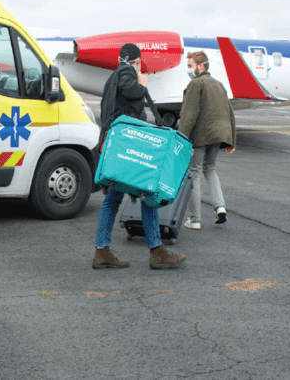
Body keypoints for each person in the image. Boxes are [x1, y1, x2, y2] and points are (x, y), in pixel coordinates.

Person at [93, 43, 186, 269]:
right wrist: (141, 84)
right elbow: (130, 90)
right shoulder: (127, 71)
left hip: (115, 146)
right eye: (139, 65)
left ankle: (102, 250)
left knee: (113, 198)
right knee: (147, 191)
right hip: (127, 146)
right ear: (137, 61)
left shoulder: (112, 76)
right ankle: (156, 251)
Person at [178, 50, 236, 230]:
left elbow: (189, 115)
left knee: (193, 172)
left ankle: (195, 219)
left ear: (200, 66)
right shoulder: (219, 84)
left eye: (190, 66)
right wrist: (232, 140)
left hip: (201, 135)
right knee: (210, 169)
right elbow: (230, 112)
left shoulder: (196, 84)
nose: (188, 70)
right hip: (219, 135)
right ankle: (220, 207)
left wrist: (181, 138)